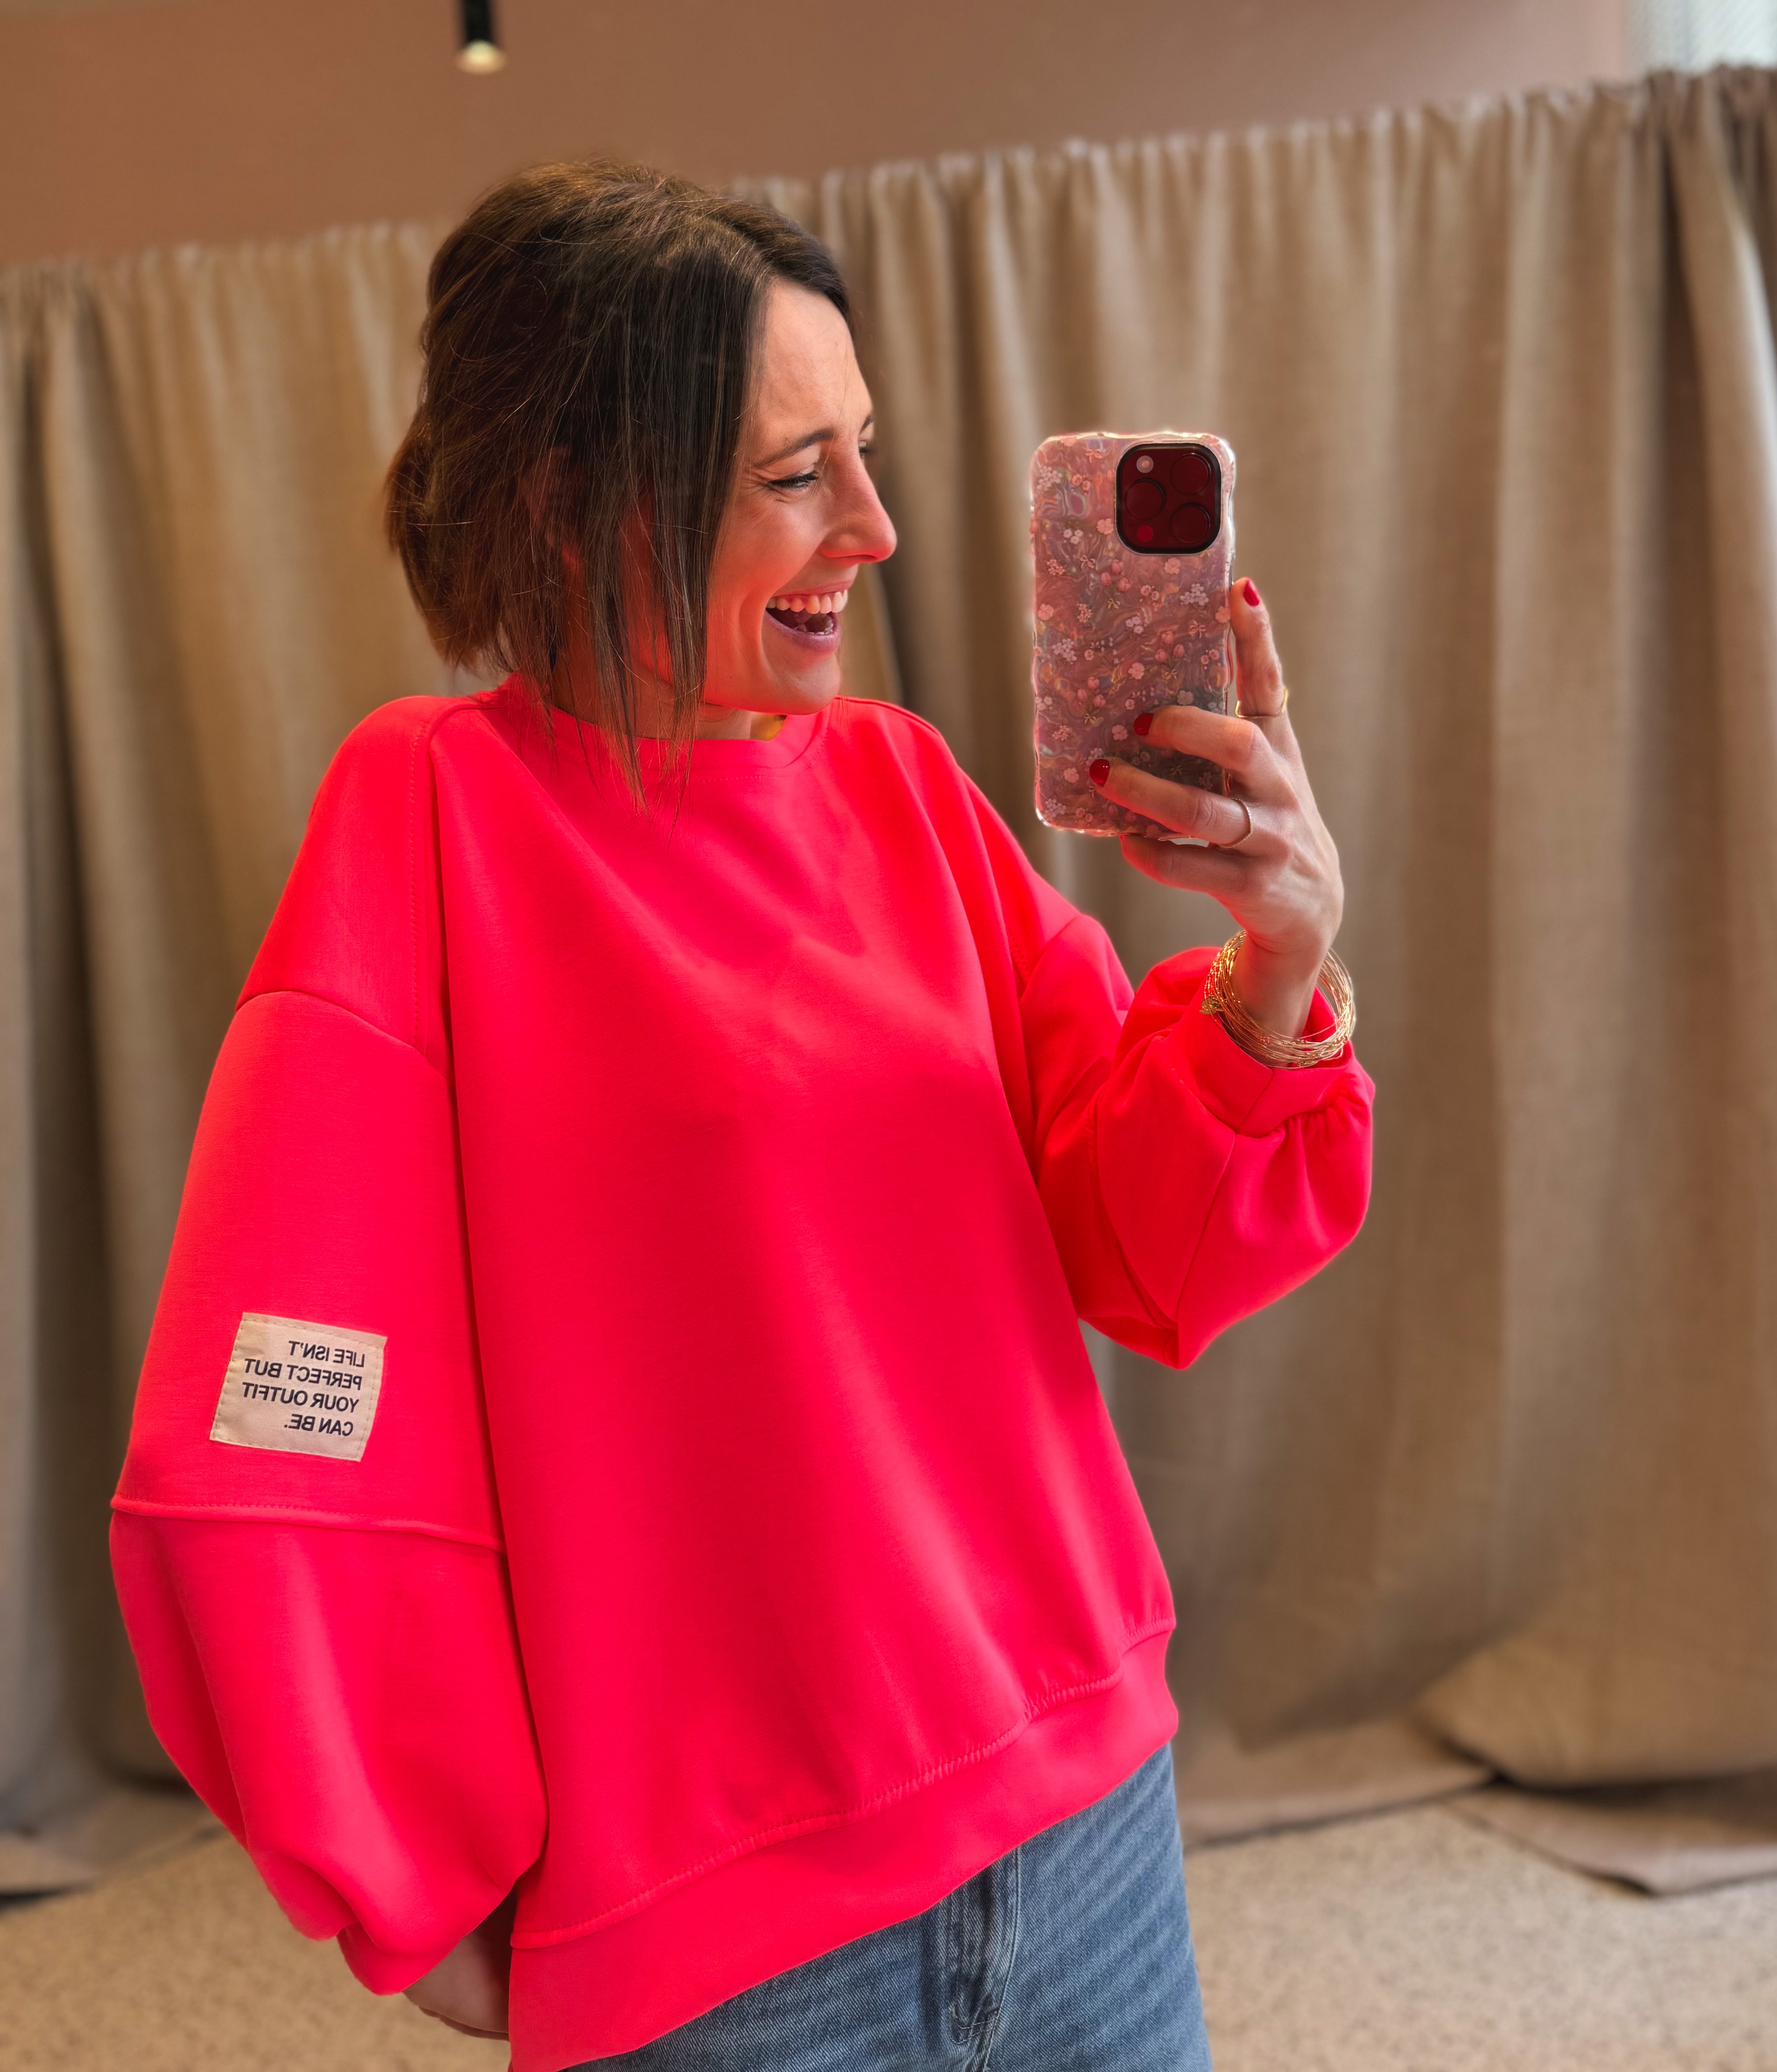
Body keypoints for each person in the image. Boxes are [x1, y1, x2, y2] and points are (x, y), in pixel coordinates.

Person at [111, 161, 1373, 2072]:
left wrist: (1276, 961)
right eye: (797, 473)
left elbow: (1143, 1244)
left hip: (1085, 1822)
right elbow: (282, 1408)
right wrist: (405, 1890)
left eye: (864, 452)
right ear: (572, 502)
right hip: (733, 1954)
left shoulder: (902, 787)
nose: (874, 526)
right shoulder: (433, 820)